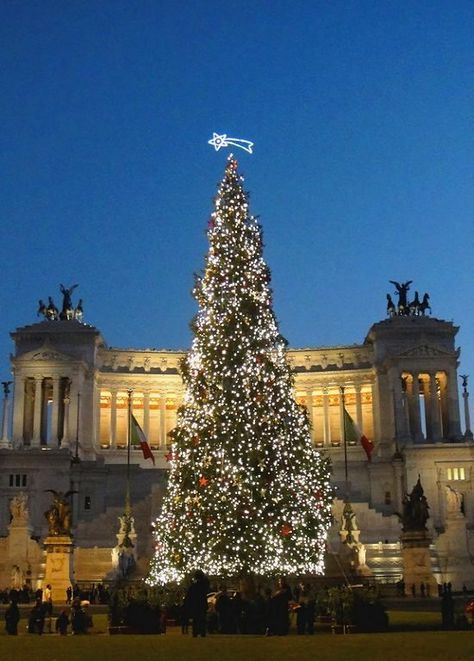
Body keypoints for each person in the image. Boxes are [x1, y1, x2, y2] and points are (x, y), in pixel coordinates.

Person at [185, 570, 210, 638]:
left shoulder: (194, 586)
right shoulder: (203, 585)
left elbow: (189, 596)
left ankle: (195, 632)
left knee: (196, 619)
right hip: (201, 604)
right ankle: (202, 632)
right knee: (202, 619)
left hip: (195, 605)